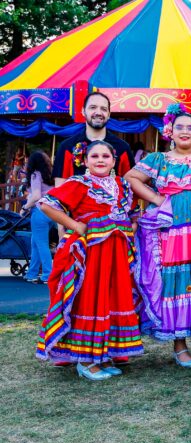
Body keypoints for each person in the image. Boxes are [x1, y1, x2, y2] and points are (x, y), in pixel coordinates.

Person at [125, 103, 191, 368]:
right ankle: (180, 345)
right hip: (175, 231)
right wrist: (158, 199)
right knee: (179, 281)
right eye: (179, 127)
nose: (185, 131)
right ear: (169, 130)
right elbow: (131, 177)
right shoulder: (159, 159)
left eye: (190, 127)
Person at [35, 141, 143, 380]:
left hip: (116, 253)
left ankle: (102, 356)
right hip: (90, 254)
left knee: (109, 300)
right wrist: (74, 225)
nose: (100, 160)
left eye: (106, 156)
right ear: (85, 161)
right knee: (89, 299)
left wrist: (129, 228)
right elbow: (46, 205)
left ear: (114, 161)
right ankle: (86, 361)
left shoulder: (122, 184)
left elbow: (133, 213)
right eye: (94, 156)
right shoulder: (79, 183)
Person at [53, 92, 133, 186]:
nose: (98, 112)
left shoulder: (122, 147)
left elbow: (130, 186)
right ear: (83, 111)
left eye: (103, 109)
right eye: (93, 107)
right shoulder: (67, 147)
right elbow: (59, 189)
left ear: (108, 114)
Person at [20, 151, 55, 284]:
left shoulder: (35, 175)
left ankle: (47, 274)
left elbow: (36, 196)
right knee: (35, 243)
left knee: (41, 244)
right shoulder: (51, 175)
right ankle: (32, 273)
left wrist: (24, 208)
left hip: (39, 212)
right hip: (52, 212)